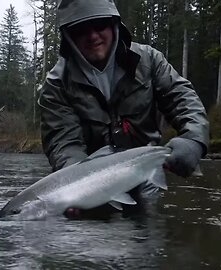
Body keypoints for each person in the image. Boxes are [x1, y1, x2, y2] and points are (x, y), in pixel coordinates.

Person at [38, 0, 209, 217]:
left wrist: (194, 139)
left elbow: (183, 100)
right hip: (90, 185)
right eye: (81, 29)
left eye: (99, 24)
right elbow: (63, 143)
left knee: (148, 237)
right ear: (69, 36)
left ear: (113, 25)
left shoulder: (148, 60)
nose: (93, 36)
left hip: (145, 173)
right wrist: (76, 188)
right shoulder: (57, 84)